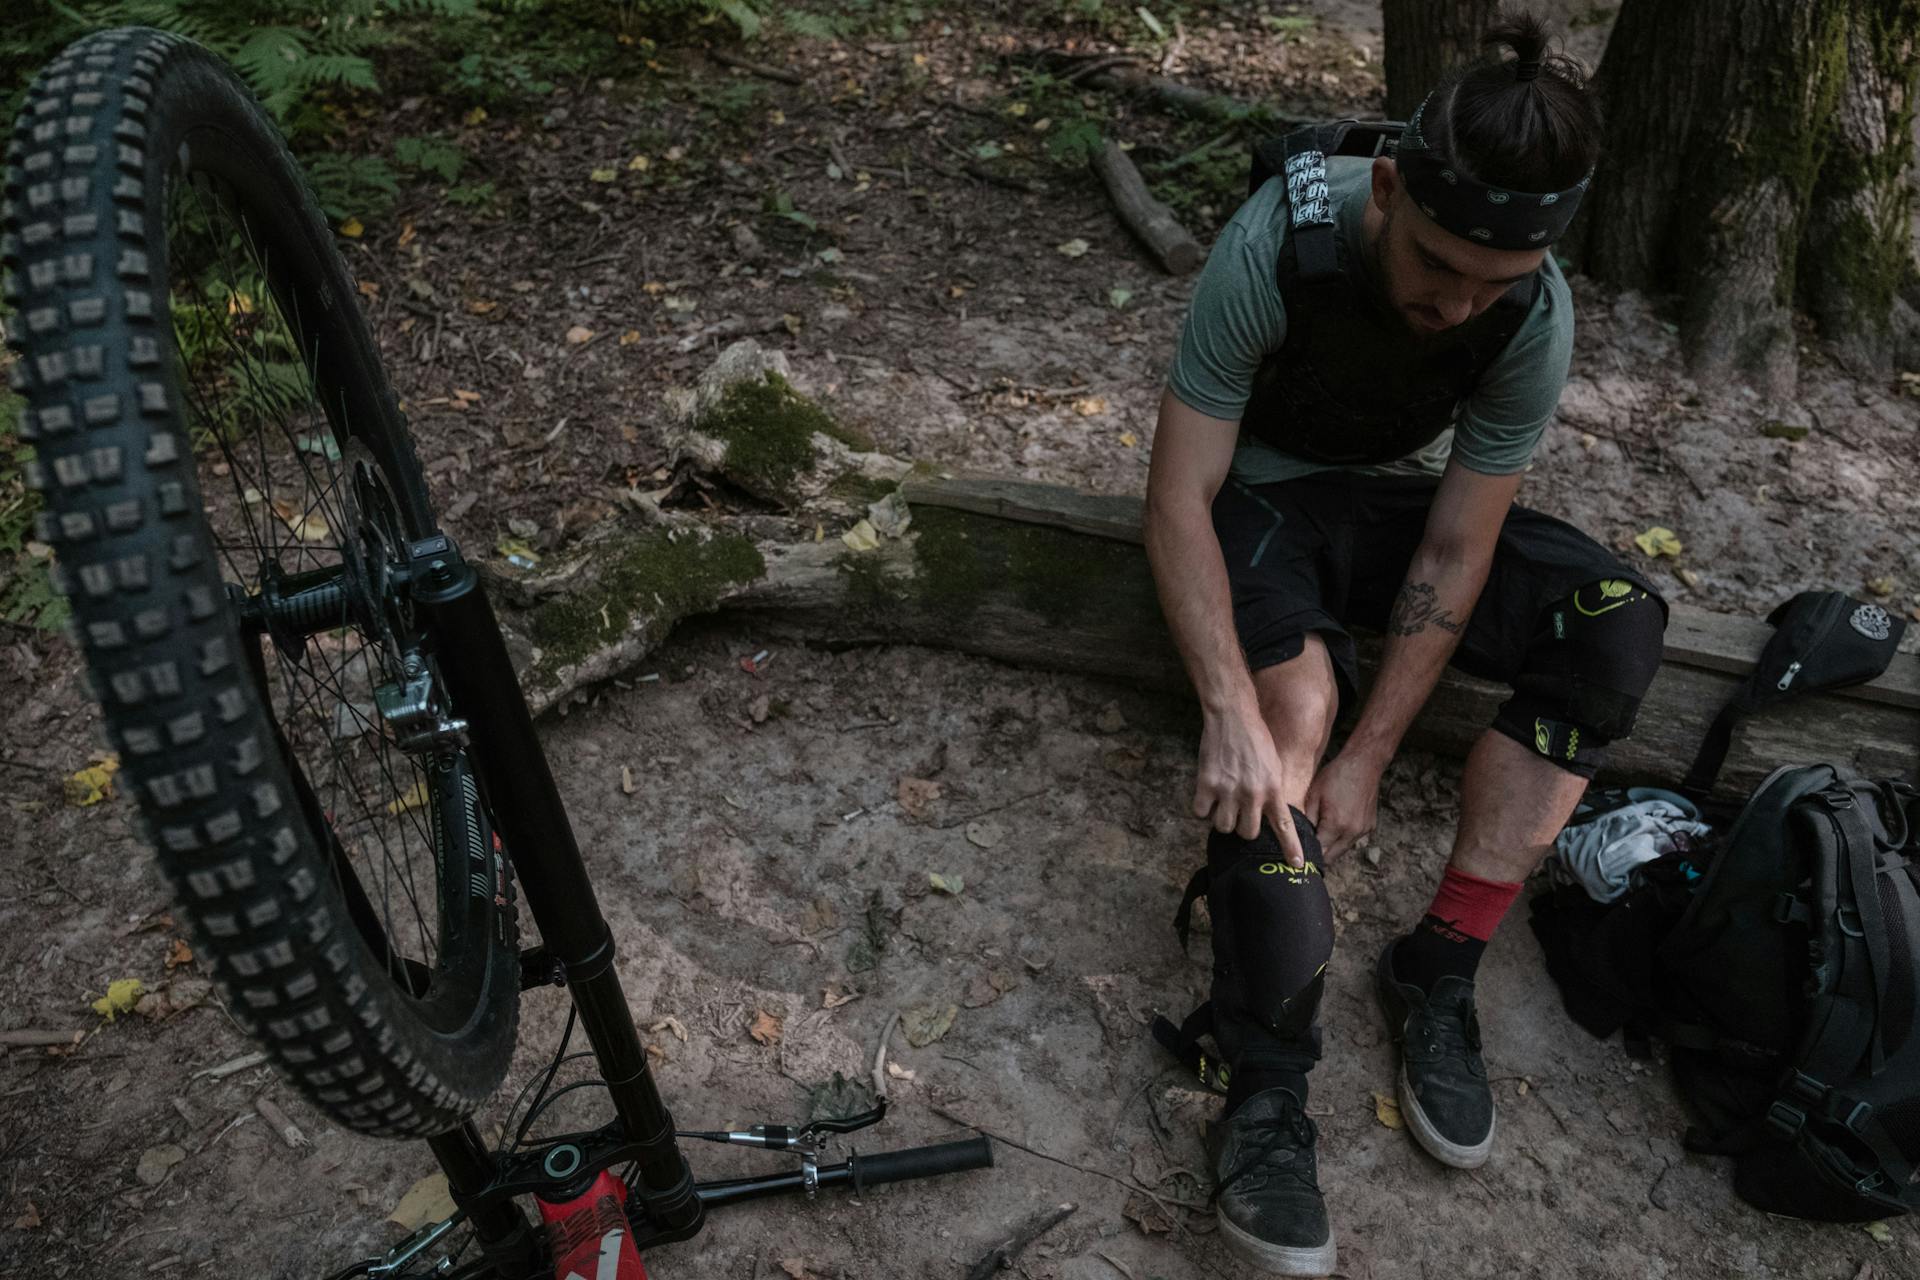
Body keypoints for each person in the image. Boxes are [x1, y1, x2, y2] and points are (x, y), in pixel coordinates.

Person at [1142, 12, 1668, 1275]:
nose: (1458, 305)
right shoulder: (1279, 240)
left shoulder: (1527, 310)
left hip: (1387, 507)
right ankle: (1264, 1083)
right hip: (1258, 497)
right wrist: (1227, 702)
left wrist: (1381, 750)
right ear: (1389, 189)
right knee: (1292, 719)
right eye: (1439, 265)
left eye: (1495, 283)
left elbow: (1453, 547)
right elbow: (1172, 496)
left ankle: (1437, 966)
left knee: (1616, 623)